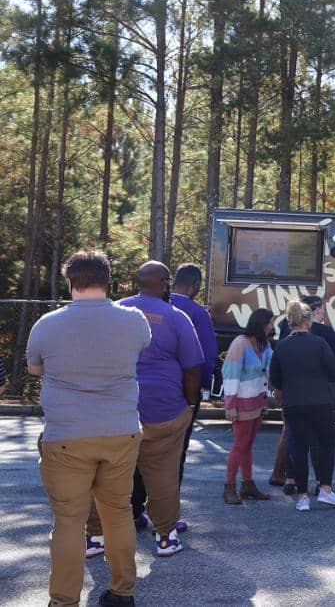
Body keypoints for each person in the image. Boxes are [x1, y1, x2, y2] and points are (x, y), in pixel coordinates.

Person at [27, 249, 151, 607]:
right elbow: (142, 347)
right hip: (121, 430)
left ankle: (64, 600)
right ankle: (122, 591)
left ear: (69, 282)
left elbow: (35, 368)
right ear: (108, 280)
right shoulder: (133, 320)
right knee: (118, 512)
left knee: (68, 520)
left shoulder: (47, 325)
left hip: (66, 433)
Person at [89, 261, 204, 558]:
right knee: (163, 474)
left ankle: (96, 537)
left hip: (117, 407)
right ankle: (165, 537)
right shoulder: (176, 317)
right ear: (166, 282)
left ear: (137, 281)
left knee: (106, 473)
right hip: (163, 408)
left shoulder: (114, 311)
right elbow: (193, 368)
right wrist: (189, 404)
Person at [269, 300, 335, 511]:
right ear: (308, 320)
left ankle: (302, 496)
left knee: (298, 447)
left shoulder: (282, 345)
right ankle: (325, 488)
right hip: (320, 401)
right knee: (326, 444)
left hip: (293, 403)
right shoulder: (319, 343)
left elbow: (275, 378)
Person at [168, 263, 218, 532]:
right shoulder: (197, 313)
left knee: (139, 451)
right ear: (196, 286)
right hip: (183, 393)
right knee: (176, 453)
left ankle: (135, 509)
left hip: (142, 390)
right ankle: (168, 515)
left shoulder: (147, 305)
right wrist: (205, 385)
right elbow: (206, 356)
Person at [222, 308, 274, 505]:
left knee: (248, 445)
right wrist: (230, 406)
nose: (272, 326)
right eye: (269, 322)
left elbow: (271, 369)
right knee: (239, 445)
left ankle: (248, 484)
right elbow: (231, 374)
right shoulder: (240, 343)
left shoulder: (265, 344)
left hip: (257, 401)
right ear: (261, 323)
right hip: (241, 402)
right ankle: (229, 487)